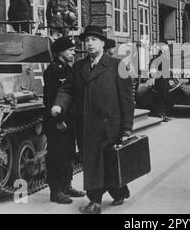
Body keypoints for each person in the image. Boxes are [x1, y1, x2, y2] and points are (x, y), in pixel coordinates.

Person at [51, 25, 134, 214]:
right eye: (86, 40)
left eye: (94, 40)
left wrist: (127, 127)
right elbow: (67, 89)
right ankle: (96, 200)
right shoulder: (78, 67)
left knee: (109, 163)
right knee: (92, 163)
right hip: (86, 125)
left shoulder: (117, 65)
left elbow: (127, 99)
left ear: (103, 43)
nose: (89, 44)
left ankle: (115, 193)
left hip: (110, 125)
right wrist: (59, 104)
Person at [43, 36, 85, 204]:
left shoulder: (68, 69)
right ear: (61, 52)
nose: (73, 53)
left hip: (69, 119)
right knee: (57, 156)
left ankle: (67, 186)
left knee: (68, 155)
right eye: (70, 50)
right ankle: (56, 191)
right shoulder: (53, 70)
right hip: (57, 121)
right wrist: (59, 119)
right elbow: (50, 99)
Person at [149, 48, 172, 122]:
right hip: (159, 81)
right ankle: (160, 114)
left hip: (164, 80)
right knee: (161, 97)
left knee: (164, 97)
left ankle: (163, 114)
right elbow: (152, 71)